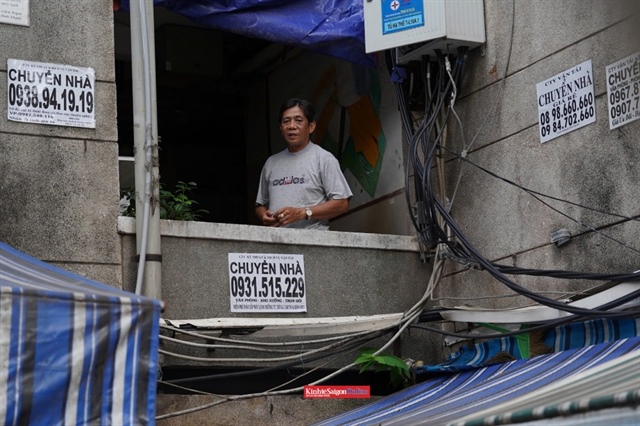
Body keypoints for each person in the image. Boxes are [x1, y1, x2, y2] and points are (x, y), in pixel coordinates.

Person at [255, 98, 352, 230]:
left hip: (313, 239)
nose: (292, 126)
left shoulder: (324, 159)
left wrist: (303, 213)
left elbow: (342, 203)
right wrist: (263, 216)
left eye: (298, 120)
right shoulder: (271, 163)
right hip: (275, 240)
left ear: (311, 126)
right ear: (281, 128)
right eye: (286, 121)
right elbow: (260, 204)